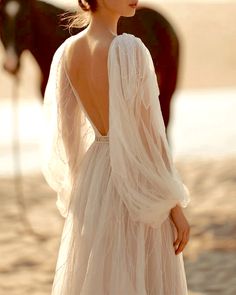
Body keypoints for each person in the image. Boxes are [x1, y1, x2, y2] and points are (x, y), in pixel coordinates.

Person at [41, 0, 191, 294]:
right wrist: (174, 206)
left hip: (93, 177)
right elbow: (150, 136)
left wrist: (83, 196)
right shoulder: (129, 50)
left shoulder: (66, 53)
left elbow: (69, 137)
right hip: (133, 174)